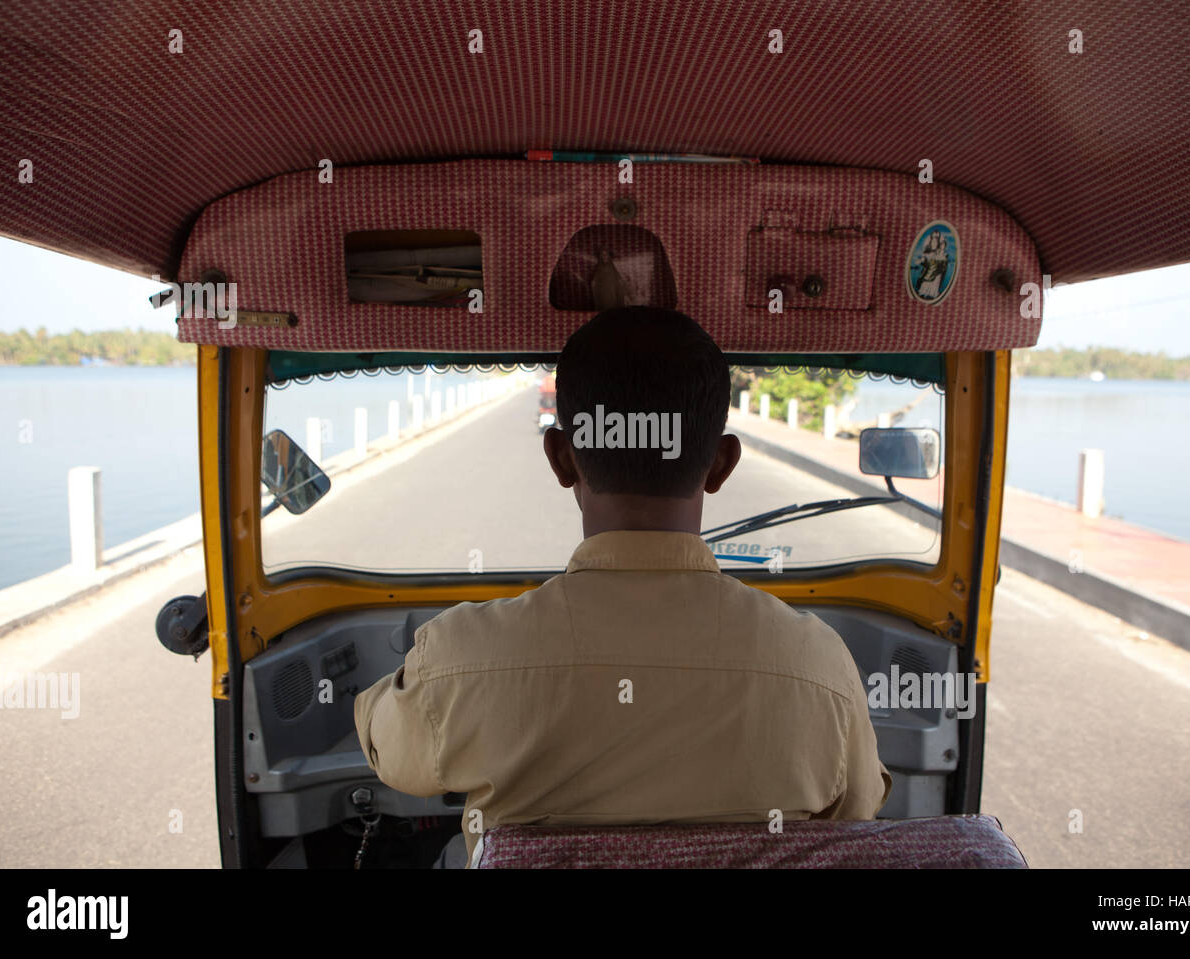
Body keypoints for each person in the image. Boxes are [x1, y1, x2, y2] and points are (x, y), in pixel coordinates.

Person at [354, 306, 891, 868]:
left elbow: (391, 756)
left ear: (561, 458)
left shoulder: (460, 659)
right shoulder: (820, 665)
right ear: (721, 465)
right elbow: (855, 815)